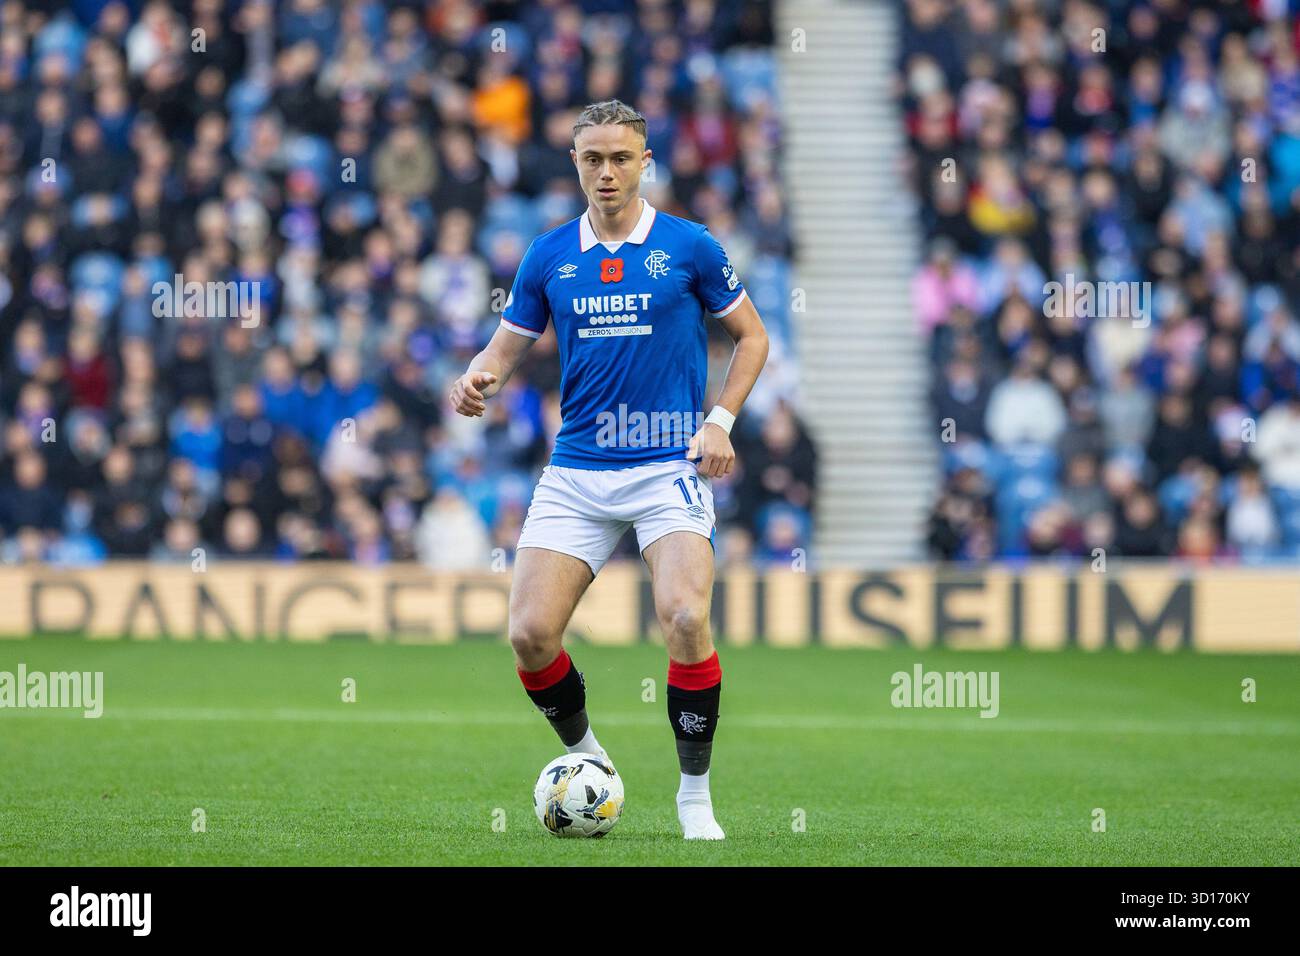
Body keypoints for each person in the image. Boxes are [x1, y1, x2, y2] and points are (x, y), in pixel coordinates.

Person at [448, 100, 769, 840]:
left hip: (666, 464)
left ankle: (695, 796)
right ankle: (593, 765)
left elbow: (751, 339)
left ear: (645, 162)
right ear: (575, 164)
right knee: (530, 634)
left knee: (686, 616)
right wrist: (479, 376)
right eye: (592, 158)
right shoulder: (549, 255)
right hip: (579, 467)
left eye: (621, 158)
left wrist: (719, 422)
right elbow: (505, 347)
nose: (607, 172)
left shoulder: (689, 247)